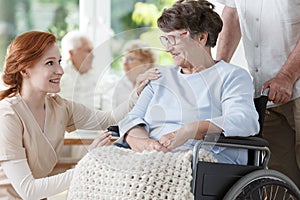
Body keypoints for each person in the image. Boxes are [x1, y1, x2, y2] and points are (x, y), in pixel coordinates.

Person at [0, 31, 157, 199]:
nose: (60, 70)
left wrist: (137, 94)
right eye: (49, 63)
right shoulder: (7, 115)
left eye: (59, 62)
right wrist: (87, 163)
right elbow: (29, 191)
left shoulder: (60, 107)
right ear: (25, 70)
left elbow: (108, 119)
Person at [116, 0, 259, 165]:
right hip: (150, 157)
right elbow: (132, 119)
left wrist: (192, 129)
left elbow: (245, 120)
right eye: (166, 40)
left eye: (173, 39)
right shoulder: (160, 75)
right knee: (95, 162)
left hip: (201, 160)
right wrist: (146, 144)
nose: (168, 49)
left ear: (201, 38)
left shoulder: (232, 76)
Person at [215, 0, 300, 187]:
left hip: (294, 84)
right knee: (280, 179)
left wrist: (286, 76)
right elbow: (233, 14)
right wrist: (218, 69)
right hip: (265, 91)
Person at [112, 39, 157, 108]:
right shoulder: (118, 85)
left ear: (146, 63)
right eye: (124, 59)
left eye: (130, 59)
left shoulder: (156, 85)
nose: (125, 63)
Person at [59, 30, 97, 109]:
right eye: (88, 51)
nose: (93, 55)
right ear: (71, 53)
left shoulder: (97, 78)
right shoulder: (57, 78)